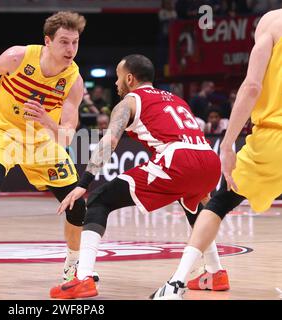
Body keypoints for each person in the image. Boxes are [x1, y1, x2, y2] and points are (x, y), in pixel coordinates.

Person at [49, 54, 222, 299]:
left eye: (118, 77)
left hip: (179, 159)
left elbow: (109, 142)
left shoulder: (129, 102)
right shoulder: (177, 99)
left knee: (99, 199)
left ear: (129, 78)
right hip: (209, 158)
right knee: (195, 206)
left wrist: (83, 183)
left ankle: (83, 277)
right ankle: (215, 272)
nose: (116, 83)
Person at [0, 11, 91, 290]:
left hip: (42, 143)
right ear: (47, 41)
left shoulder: (74, 81)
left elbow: (68, 136)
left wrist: (47, 120)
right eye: (64, 42)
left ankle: (73, 267)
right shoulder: (19, 57)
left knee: (77, 204)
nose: (71, 49)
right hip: (4, 133)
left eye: (75, 42)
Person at [152, 9, 282, 299]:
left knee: (220, 202)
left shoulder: (271, 22)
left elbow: (251, 87)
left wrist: (227, 144)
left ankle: (176, 283)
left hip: (276, 137)